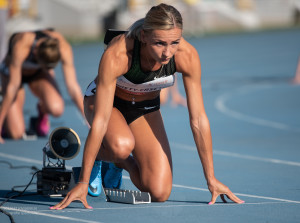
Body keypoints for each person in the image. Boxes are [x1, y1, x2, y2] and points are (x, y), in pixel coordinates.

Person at [51, 3, 244, 210]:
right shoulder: (119, 54)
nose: (167, 53)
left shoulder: (186, 55)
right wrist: (82, 183)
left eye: (174, 43)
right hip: (107, 104)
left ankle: (118, 163)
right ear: (143, 36)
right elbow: (101, 120)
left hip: (144, 108)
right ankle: (103, 156)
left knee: (159, 192)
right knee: (121, 146)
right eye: (159, 43)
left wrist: (211, 179)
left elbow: (198, 119)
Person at [0, 28, 85, 143]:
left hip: (38, 75)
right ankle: (4, 115)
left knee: (56, 108)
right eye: (47, 67)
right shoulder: (22, 44)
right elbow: (13, 87)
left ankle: (41, 114)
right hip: (12, 75)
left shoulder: (63, 47)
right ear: (35, 53)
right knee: (16, 133)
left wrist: (87, 119)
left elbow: (73, 87)